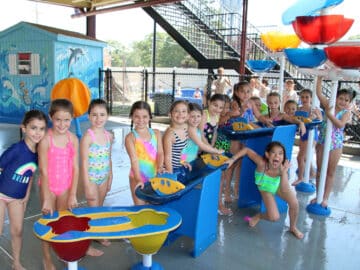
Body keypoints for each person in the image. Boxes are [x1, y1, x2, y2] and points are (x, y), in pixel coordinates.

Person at [225, 141, 304, 239]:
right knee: (274, 217)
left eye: (280, 154)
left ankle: (293, 227)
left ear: (283, 157)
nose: (277, 156)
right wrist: (232, 159)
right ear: (267, 154)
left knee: (294, 203)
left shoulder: (282, 168)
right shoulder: (261, 162)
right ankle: (258, 216)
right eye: (274, 153)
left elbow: (284, 189)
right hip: (265, 188)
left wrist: (283, 173)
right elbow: (247, 150)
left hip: (278, 185)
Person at [0, 110, 47, 270]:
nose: (37, 133)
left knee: (18, 231)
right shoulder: (16, 149)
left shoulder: (38, 154)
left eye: (41, 129)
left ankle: (16, 263)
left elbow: (30, 175)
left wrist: (26, 196)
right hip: (1, 194)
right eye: (34, 128)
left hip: (18, 198)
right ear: (24, 128)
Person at [38, 99, 80, 270]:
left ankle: (62, 252)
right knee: (48, 223)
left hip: (65, 186)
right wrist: (47, 197)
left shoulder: (72, 139)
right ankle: (46, 259)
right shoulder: (46, 140)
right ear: (50, 117)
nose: (62, 124)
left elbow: (76, 168)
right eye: (58, 119)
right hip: (48, 186)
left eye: (66, 120)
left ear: (72, 119)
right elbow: (43, 170)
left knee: (62, 222)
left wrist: (72, 194)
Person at [311, 76, 355, 207]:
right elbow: (319, 93)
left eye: (346, 100)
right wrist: (320, 78)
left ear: (349, 102)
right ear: (336, 98)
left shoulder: (346, 113)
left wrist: (329, 115)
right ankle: (318, 195)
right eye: (341, 98)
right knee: (319, 170)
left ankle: (325, 198)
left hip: (336, 144)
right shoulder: (329, 105)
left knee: (330, 172)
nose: (343, 101)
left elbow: (340, 125)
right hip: (323, 141)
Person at [80, 99, 113, 256]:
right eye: (94, 115)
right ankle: (86, 242)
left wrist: (110, 176)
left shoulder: (108, 136)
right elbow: (84, 162)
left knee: (99, 209)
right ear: (88, 116)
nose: (98, 119)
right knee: (93, 210)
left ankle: (97, 234)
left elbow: (109, 157)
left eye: (102, 115)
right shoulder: (88, 137)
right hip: (92, 179)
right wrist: (86, 183)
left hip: (104, 176)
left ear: (107, 116)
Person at [125, 101, 164, 205]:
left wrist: (160, 166)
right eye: (137, 116)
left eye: (144, 116)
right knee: (140, 209)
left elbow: (160, 153)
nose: (141, 120)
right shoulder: (130, 138)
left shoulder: (156, 133)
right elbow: (134, 160)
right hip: (137, 176)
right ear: (131, 117)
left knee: (154, 207)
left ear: (150, 117)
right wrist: (138, 179)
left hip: (154, 175)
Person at [292, 89, 322, 186]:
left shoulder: (314, 109)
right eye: (302, 97)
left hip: (311, 134)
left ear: (311, 98)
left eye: (307, 97)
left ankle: (301, 178)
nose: (304, 99)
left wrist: (314, 117)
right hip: (303, 134)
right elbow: (294, 119)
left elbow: (320, 120)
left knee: (300, 157)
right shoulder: (299, 109)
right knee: (305, 157)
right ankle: (312, 172)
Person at [163, 100, 190, 173]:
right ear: (170, 114)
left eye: (184, 111)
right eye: (176, 111)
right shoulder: (170, 134)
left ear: (188, 116)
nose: (180, 114)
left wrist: (183, 161)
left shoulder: (186, 130)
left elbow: (184, 150)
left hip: (179, 167)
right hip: (170, 169)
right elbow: (167, 156)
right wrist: (170, 172)